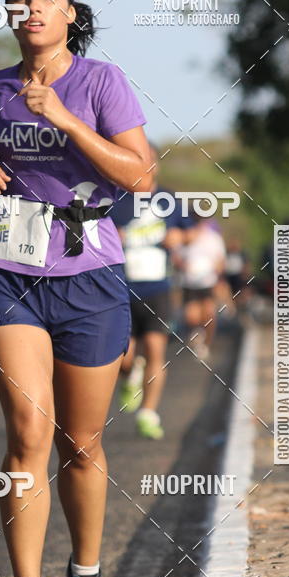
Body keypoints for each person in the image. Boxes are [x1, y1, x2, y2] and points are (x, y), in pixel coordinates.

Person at [0, 0, 151, 577]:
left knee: (82, 443)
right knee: (28, 434)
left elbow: (141, 174)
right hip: (8, 273)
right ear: (10, 12)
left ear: (70, 12)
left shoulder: (102, 82)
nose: (33, 7)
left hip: (90, 278)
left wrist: (67, 120)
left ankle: (88, 576)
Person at [110, 146, 187, 439]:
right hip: (120, 287)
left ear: (155, 166)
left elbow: (192, 230)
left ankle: (149, 412)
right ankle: (130, 376)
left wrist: (181, 237)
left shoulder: (169, 199)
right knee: (122, 357)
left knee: (156, 349)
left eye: (150, 162)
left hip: (158, 287)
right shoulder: (115, 198)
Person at [172, 213, 226, 361]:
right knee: (192, 316)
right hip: (189, 283)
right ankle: (197, 333)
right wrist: (183, 266)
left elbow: (220, 260)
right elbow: (175, 256)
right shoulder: (184, 236)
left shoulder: (213, 238)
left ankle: (206, 344)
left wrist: (216, 270)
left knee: (209, 313)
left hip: (207, 282)